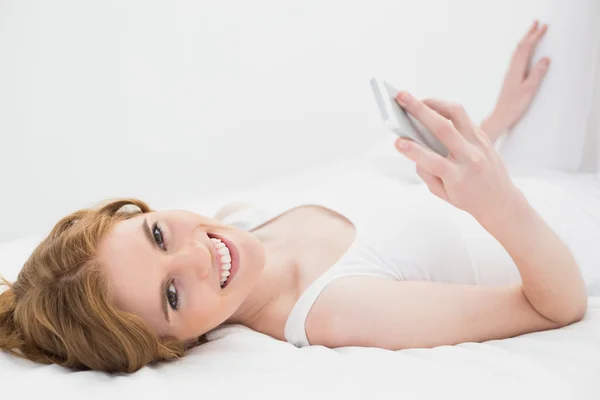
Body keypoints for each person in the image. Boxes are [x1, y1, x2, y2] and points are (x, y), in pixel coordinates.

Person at [0, 21, 593, 373]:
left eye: (158, 236)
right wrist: (499, 201)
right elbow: (553, 308)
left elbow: (434, 204)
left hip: (537, 172)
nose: (196, 256)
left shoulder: (247, 219)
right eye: (172, 294)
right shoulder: (337, 311)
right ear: (171, 345)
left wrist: (492, 126)